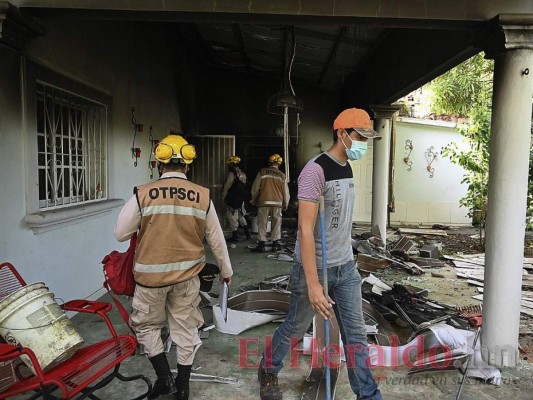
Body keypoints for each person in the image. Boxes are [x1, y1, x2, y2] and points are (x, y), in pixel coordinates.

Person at [257, 108, 383, 400]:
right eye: (359, 136)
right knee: (295, 328)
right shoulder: (315, 171)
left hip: (346, 267)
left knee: (356, 336)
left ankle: (368, 394)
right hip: (315, 267)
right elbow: (304, 230)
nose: (363, 142)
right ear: (342, 133)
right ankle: (268, 367)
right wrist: (314, 284)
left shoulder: (347, 167)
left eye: (366, 137)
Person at [115, 134, 233, 400]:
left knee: (147, 326)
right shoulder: (202, 196)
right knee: (186, 329)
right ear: (187, 167)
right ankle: (183, 387)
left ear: (159, 163)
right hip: (186, 279)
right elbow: (216, 239)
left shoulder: (143, 193)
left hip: (149, 280)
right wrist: (226, 271)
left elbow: (121, 234)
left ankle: (164, 378)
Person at [250, 154, 290, 253]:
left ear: (269, 163)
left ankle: (261, 245)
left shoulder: (262, 172)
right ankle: (275, 245)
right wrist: (286, 203)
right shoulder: (282, 175)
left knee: (262, 223)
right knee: (276, 223)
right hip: (277, 203)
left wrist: (253, 198)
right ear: (279, 164)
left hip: (263, 202)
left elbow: (255, 187)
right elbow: (286, 192)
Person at [222, 155, 251, 242]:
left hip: (233, 199)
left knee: (231, 216)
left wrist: (223, 196)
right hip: (240, 199)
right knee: (240, 215)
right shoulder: (243, 174)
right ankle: (247, 233)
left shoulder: (232, 174)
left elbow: (227, 186)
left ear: (231, 165)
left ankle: (235, 236)